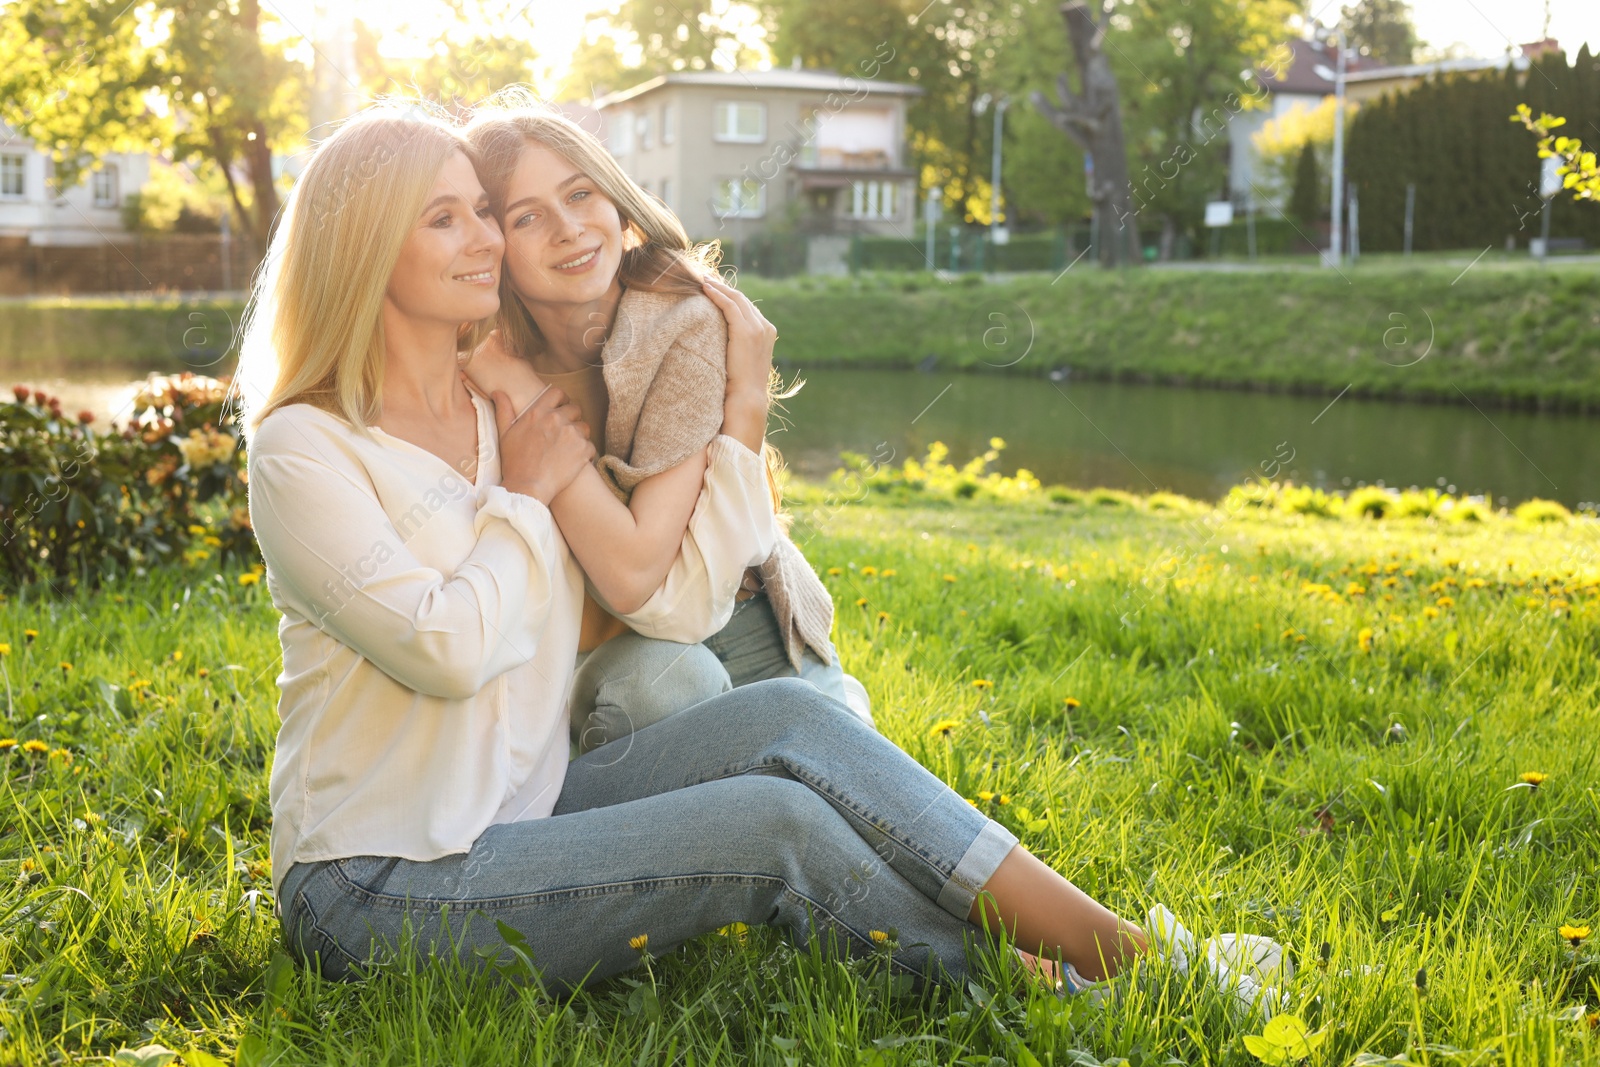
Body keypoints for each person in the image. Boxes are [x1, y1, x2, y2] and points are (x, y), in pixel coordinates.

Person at [235, 102, 1293, 1008]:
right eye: (445, 217)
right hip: (377, 887)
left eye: (482, 210)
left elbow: (641, 582)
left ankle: (1141, 954)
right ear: (367, 244)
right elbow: (448, 649)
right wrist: (523, 492)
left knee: (790, 719)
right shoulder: (306, 447)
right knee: (770, 825)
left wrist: (703, 409)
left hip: (520, 818)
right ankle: (1047, 983)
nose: (485, 240)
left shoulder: (501, 404)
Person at [456, 91, 869, 755]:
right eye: (527, 216)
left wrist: (522, 390)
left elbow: (638, 577)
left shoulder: (680, 319)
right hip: (613, 664)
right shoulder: (476, 354)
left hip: (745, 627)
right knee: (661, 687)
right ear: (493, 242)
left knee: (871, 834)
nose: (568, 227)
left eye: (581, 194)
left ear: (618, 202)